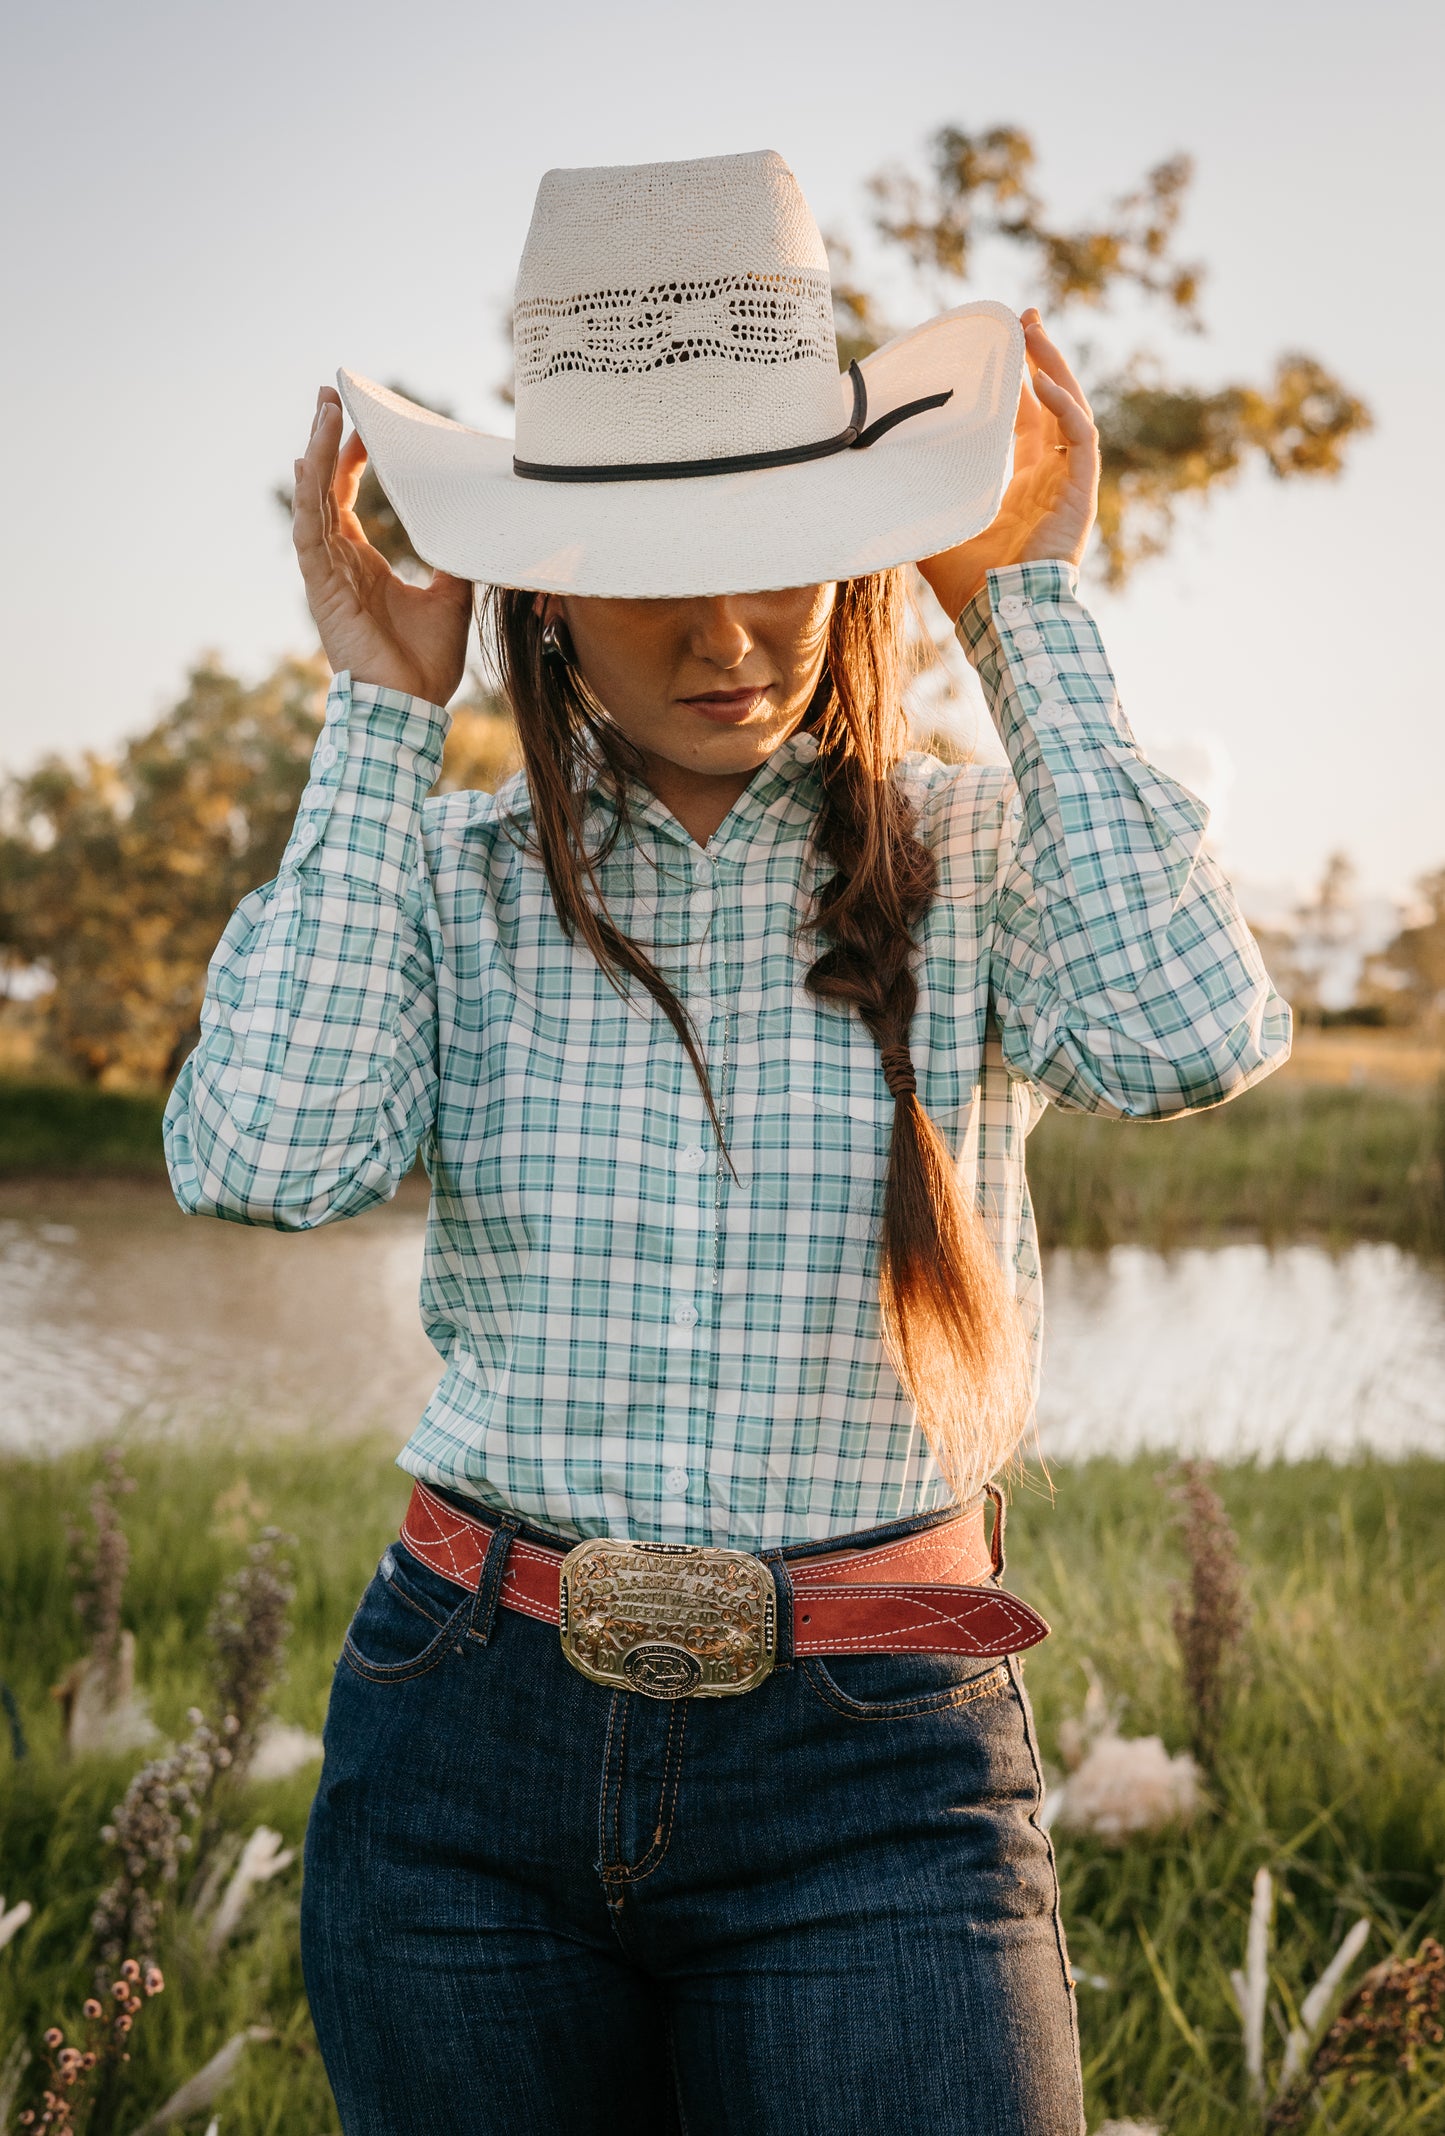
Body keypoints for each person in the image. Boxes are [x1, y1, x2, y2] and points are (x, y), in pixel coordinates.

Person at [164, 150, 1289, 2135]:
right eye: (651, 566)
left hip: (884, 1761)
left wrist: (1020, 598)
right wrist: (373, 717)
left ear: (859, 546)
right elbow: (266, 1156)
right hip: (463, 1753)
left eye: (783, 543)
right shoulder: (446, 874)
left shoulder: (975, 855)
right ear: (538, 585)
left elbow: (1193, 1036)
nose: (730, 628)